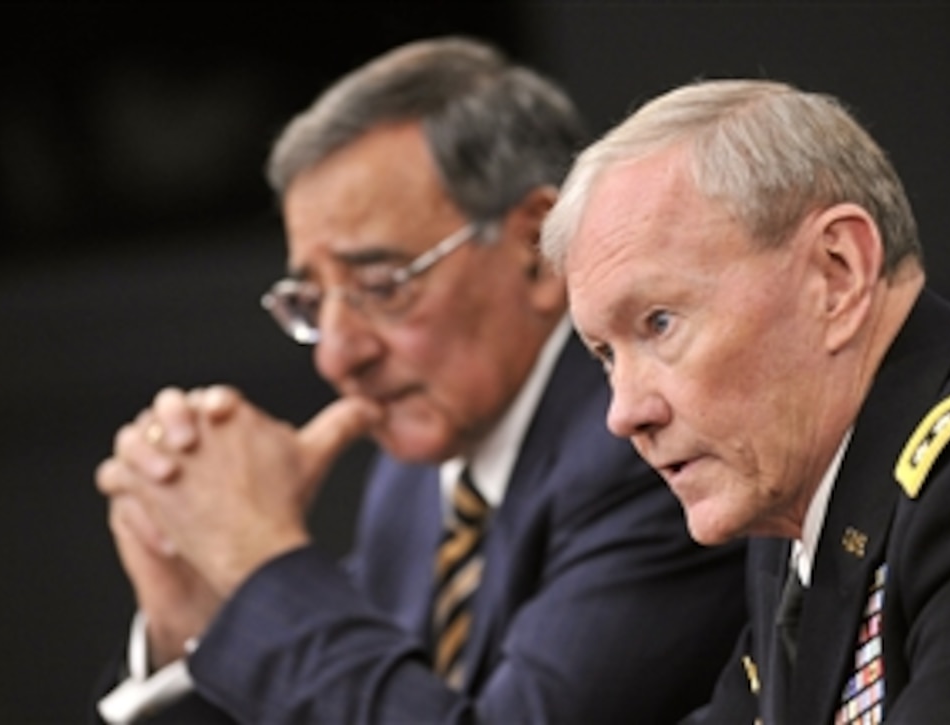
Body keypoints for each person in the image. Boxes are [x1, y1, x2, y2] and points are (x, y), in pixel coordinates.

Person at [93, 37, 748, 724]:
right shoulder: (415, 479)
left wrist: (258, 561)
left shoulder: (646, 449)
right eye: (312, 302)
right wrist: (194, 606)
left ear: (536, 248)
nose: (337, 358)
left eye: (381, 285)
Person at [540, 78, 950, 724]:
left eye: (660, 322)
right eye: (605, 355)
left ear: (836, 274)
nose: (623, 412)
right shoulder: (796, 500)